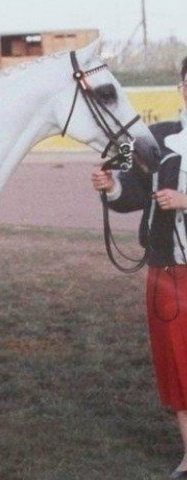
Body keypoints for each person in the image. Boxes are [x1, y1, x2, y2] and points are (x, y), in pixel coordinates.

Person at [92, 56, 187, 479]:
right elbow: (130, 187)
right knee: (178, 369)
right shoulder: (159, 137)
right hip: (167, 270)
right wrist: (110, 183)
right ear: (181, 86)